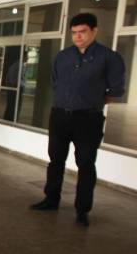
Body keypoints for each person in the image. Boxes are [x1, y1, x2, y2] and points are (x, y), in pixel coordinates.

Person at [30, 12, 125, 226]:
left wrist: (91, 100)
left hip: (88, 118)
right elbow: (55, 83)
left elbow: (115, 90)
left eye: (82, 32)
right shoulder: (63, 56)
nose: (78, 36)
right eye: (74, 33)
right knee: (55, 160)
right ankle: (51, 199)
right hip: (60, 115)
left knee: (86, 164)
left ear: (94, 31)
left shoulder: (109, 58)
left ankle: (82, 210)